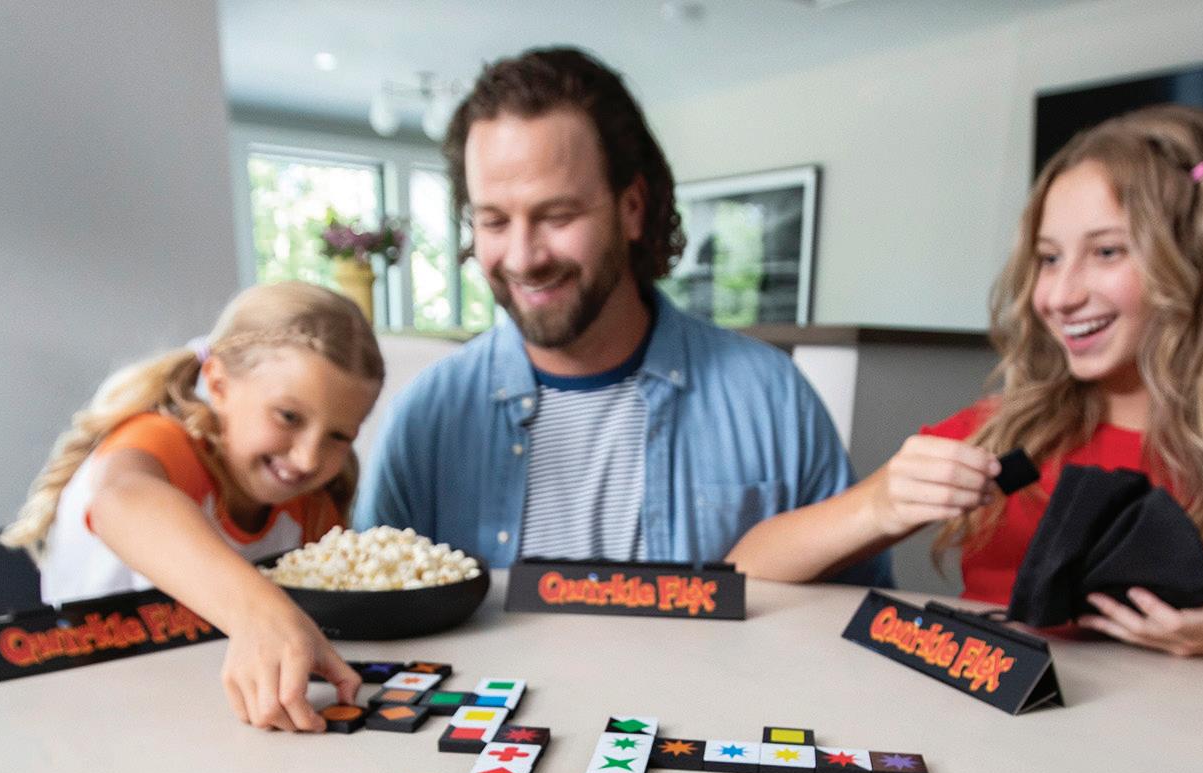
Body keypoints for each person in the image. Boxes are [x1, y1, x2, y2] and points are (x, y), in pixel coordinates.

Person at [727, 105, 1203, 680]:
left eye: (1107, 252)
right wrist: (879, 504)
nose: (1058, 296)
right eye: (1049, 259)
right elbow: (746, 572)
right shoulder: (1001, 437)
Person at [358, 47, 885, 583]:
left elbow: (856, 615)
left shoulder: (773, 400)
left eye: (557, 216)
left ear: (632, 207)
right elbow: (365, 620)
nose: (522, 258)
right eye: (493, 222)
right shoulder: (424, 421)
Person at [0, 282, 381, 728]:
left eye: (339, 436)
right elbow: (120, 500)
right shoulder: (163, 444)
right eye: (288, 417)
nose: (308, 459)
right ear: (218, 384)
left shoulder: (309, 504)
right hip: (91, 717)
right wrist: (260, 612)